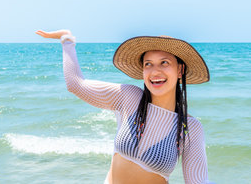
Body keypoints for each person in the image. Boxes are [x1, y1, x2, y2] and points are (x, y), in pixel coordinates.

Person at [36, 29, 213, 184]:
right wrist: (67, 40)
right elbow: (76, 85)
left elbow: (199, 181)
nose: (154, 71)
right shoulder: (129, 97)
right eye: (148, 64)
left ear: (180, 70)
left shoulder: (189, 128)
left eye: (164, 63)